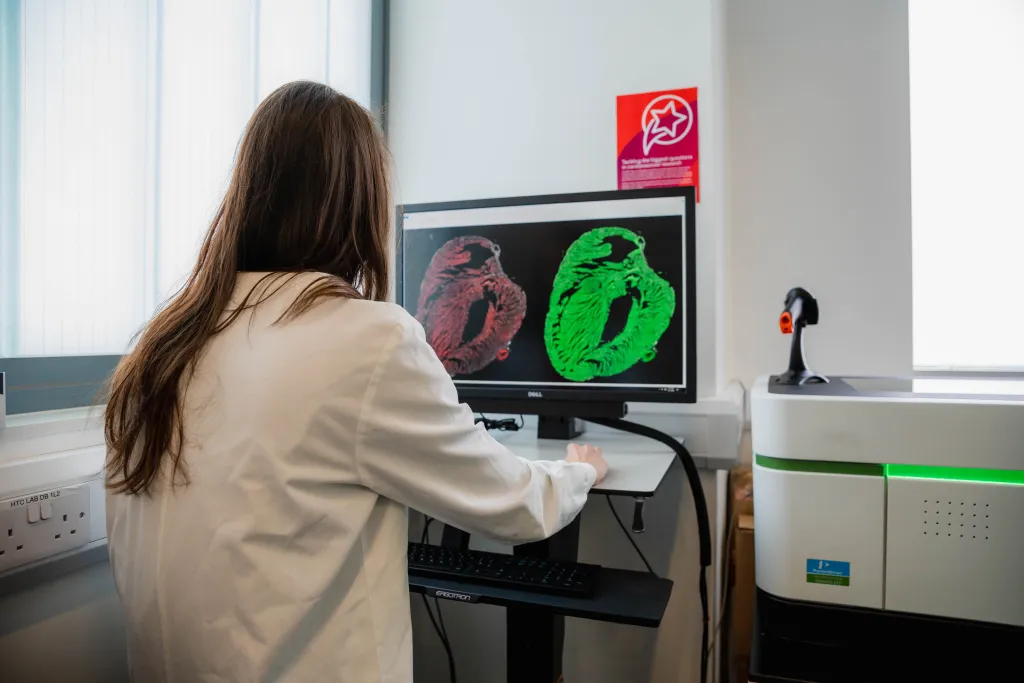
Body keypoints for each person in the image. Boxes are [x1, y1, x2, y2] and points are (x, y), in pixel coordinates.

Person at [104, 81, 608, 683]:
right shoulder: (367, 338)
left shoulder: (160, 346)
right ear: (362, 203)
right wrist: (581, 470)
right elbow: (516, 505)